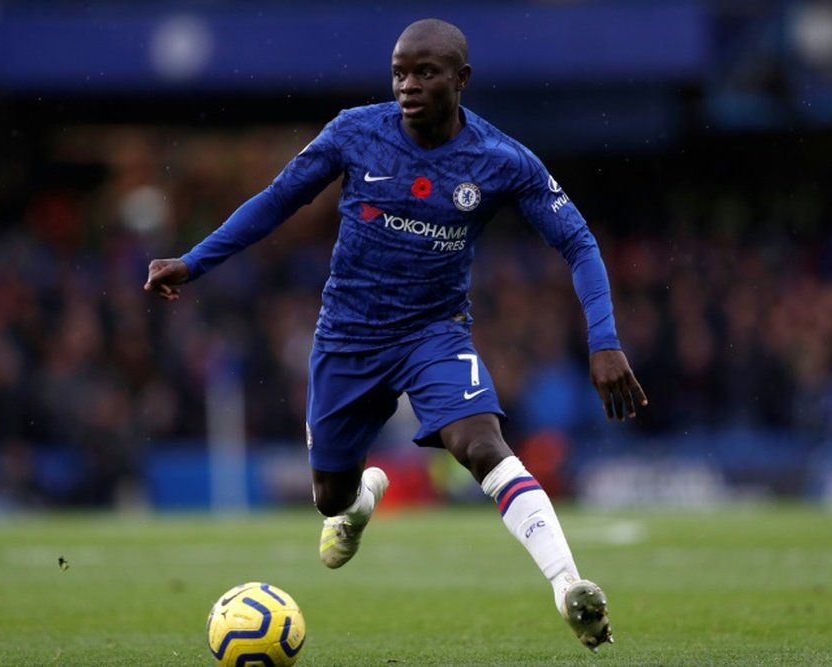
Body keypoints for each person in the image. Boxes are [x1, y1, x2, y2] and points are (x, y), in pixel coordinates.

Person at [145, 18, 647, 652]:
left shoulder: (500, 160)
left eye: (426, 73)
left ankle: (568, 585)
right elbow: (277, 200)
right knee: (330, 498)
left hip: (433, 333)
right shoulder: (355, 132)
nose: (408, 85)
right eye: (399, 73)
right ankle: (362, 500)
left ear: (461, 80)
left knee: (480, 442)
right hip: (347, 337)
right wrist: (194, 262)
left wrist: (603, 340)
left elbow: (577, 240)